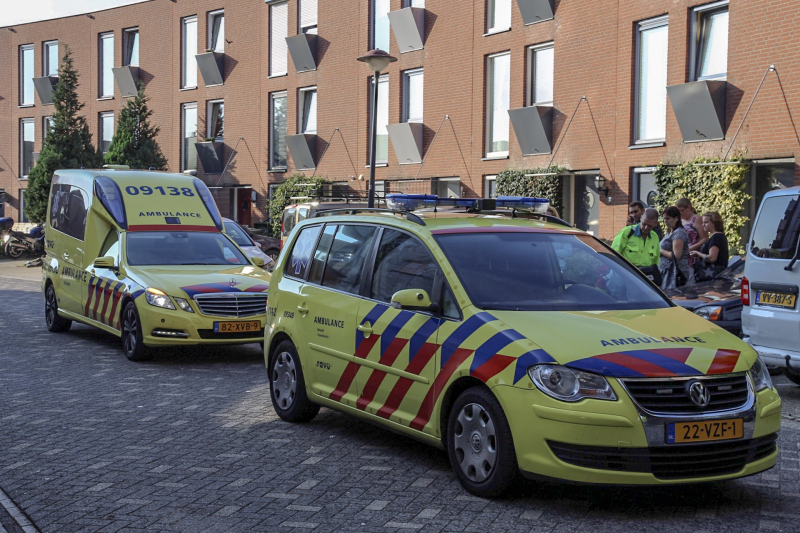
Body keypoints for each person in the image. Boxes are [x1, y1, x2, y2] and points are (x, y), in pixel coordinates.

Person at [611, 208, 661, 284]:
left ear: (656, 224)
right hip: (622, 279)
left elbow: (655, 263)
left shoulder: (655, 237)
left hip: (642, 282)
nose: (646, 228)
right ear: (641, 218)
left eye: (650, 226)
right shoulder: (627, 232)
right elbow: (612, 255)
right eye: (644, 224)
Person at [659, 206, 695, 289]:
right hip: (667, 271)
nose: (665, 221)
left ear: (676, 218)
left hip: (674, 273)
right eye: (664, 219)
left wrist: (660, 251)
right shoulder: (671, 231)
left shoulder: (679, 233)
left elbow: (676, 255)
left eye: (668, 219)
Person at [689, 211, 729, 281]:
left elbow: (712, 258)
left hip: (714, 277)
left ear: (714, 223)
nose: (703, 225)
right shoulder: (719, 236)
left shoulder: (716, 237)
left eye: (706, 222)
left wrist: (697, 253)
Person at [676, 197, 708, 265]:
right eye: (678, 212)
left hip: (694, 255)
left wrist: (690, 248)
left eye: (682, 210)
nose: (680, 214)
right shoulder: (680, 220)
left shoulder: (697, 219)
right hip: (681, 256)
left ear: (689, 207)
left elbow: (705, 238)